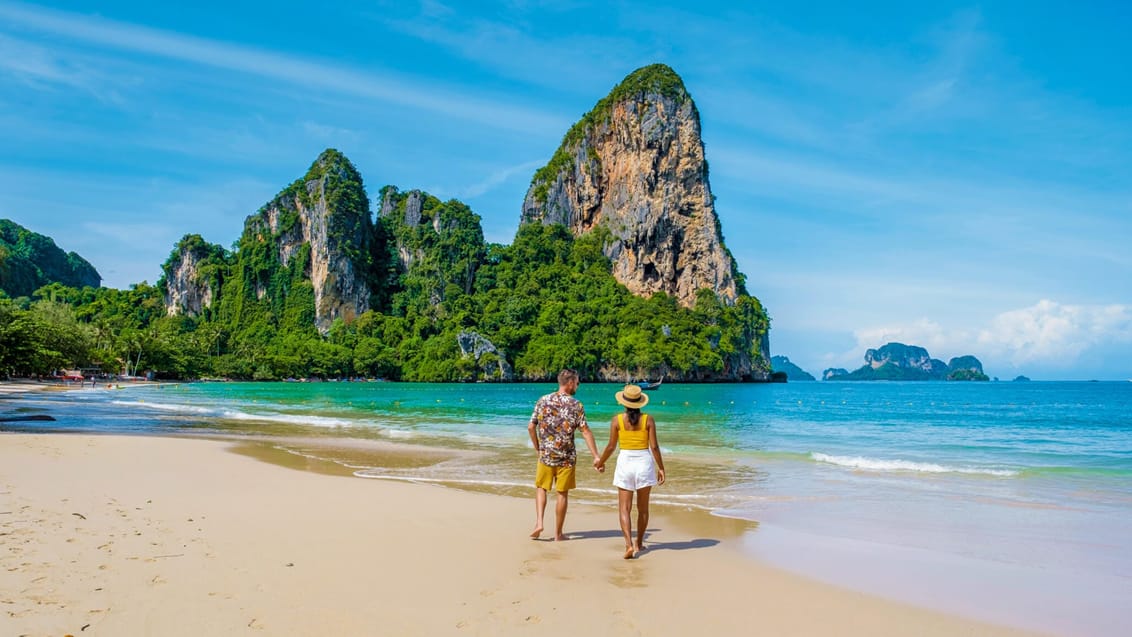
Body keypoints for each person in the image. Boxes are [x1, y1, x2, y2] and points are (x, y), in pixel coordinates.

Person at [528, 369, 601, 541]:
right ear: (570, 383)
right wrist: (596, 456)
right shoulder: (576, 405)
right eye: (577, 382)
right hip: (566, 458)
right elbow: (585, 431)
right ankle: (558, 534)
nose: (578, 385)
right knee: (562, 493)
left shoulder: (542, 400)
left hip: (545, 455)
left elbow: (531, 427)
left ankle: (539, 523)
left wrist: (538, 448)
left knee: (541, 488)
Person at [595, 384, 666, 559]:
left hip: (625, 462)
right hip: (644, 463)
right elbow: (654, 447)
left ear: (624, 402)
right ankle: (639, 543)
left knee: (624, 509)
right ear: (640, 402)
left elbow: (611, 446)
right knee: (643, 509)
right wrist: (661, 468)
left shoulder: (616, 420)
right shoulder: (648, 420)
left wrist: (600, 462)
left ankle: (628, 545)